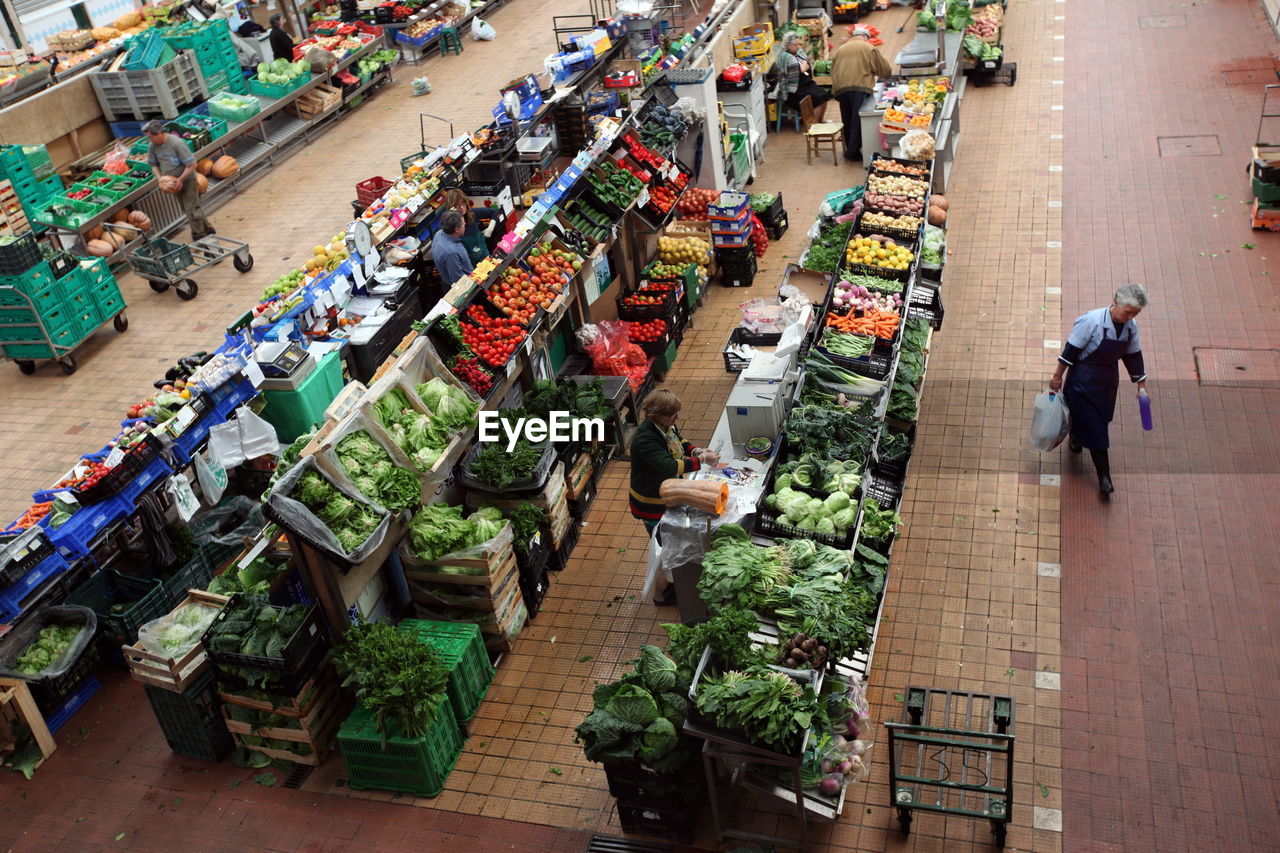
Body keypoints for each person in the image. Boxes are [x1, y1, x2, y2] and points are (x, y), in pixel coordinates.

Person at [1048, 283, 1150, 496]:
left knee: (1099, 419)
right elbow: (1071, 351)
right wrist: (1057, 376)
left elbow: (1133, 355)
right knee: (1097, 430)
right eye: (1128, 312)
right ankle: (1104, 477)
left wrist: (1141, 385)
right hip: (1082, 382)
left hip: (1107, 382)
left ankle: (1076, 438)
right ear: (1116, 302)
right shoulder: (1091, 321)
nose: (1130, 317)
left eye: (1135, 313)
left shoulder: (1131, 327)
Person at [629, 390, 719, 604]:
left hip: (667, 494)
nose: (676, 418)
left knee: (670, 542)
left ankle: (672, 583)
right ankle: (660, 594)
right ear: (655, 415)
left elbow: (679, 439)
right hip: (651, 502)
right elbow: (669, 466)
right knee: (662, 547)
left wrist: (695, 450)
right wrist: (701, 460)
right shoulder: (645, 440)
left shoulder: (665, 426)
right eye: (672, 415)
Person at [143, 119, 214, 240]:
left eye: (151, 137)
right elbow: (153, 165)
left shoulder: (176, 143)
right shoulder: (152, 146)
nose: (150, 140)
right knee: (188, 209)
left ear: (159, 133)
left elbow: (192, 164)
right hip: (172, 184)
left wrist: (181, 179)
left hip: (187, 181)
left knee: (191, 209)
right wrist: (161, 179)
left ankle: (199, 236)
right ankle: (208, 228)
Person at [830, 25, 892, 163]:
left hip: (842, 89)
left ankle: (850, 149)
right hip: (859, 88)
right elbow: (885, 69)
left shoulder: (840, 50)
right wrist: (884, 76)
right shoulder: (868, 48)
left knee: (847, 119)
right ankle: (852, 152)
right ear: (865, 37)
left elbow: (832, 70)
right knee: (857, 120)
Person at [776, 32, 829, 123]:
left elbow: (807, 63)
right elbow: (801, 68)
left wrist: (804, 64)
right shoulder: (785, 57)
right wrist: (804, 63)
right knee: (817, 100)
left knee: (824, 96)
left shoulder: (797, 52)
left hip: (805, 83)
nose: (797, 47)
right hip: (794, 89)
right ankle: (814, 125)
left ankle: (820, 121)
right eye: (795, 45)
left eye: (798, 44)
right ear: (788, 45)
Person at [443, 188, 501, 265]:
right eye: (457, 205)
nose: (462, 208)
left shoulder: (472, 213)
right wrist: (452, 218)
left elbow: (494, 211)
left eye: (463, 203)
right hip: (471, 268)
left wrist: (490, 228)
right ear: (451, 207)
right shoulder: (449, 227)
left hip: (486, 259)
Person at [431, 210, 474, 285]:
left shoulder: (439, 233)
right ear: (457, 229)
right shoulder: (451, 253)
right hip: (465, 285)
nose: (465, 224)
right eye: (463, 224)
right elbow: (458, 280)